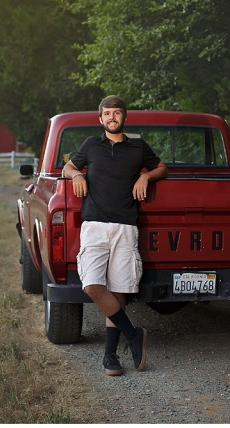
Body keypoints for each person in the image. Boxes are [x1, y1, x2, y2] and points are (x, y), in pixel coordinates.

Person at [62, 96, 168, 375]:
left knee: (118, 291)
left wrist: (146, 177)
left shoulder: (137, 147)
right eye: (107, 113)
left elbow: (162, 167)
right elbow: (68, 167)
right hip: (94, 226)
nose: (112, 117)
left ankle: (110, 356)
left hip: (125, 227)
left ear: (124, 117)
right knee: (93, 285)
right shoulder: (90, 145)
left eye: (116, 113)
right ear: (100, 119)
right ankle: (134, 335)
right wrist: (76, 176)